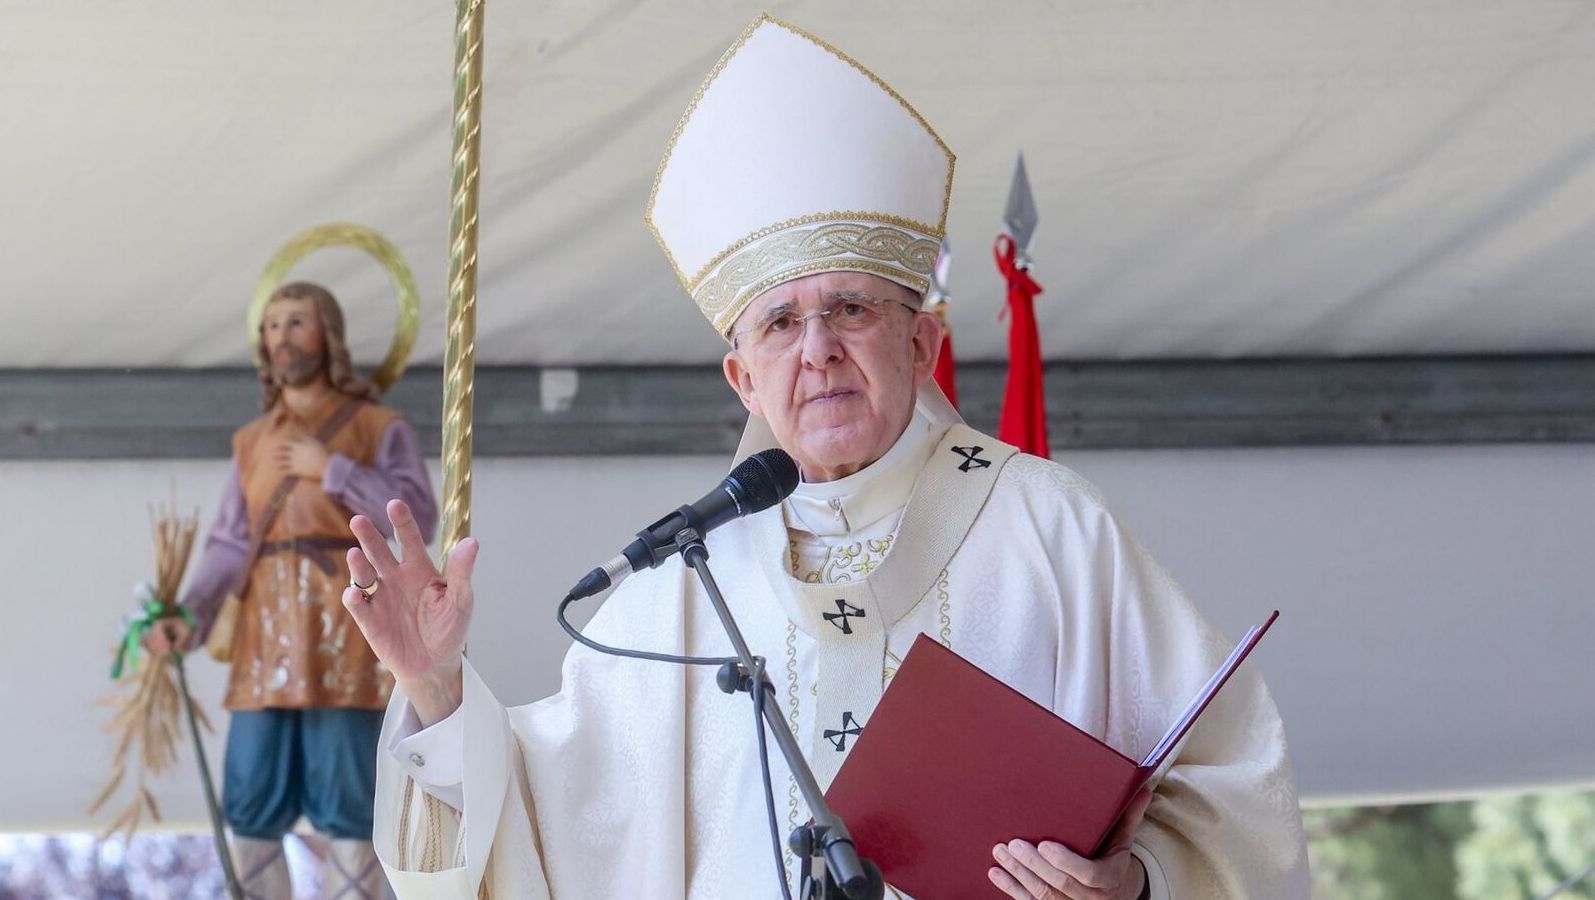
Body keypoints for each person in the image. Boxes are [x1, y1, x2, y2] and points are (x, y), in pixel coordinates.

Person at [345, 15, 1310, 900]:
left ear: (923, 345)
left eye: (851, 308)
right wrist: (434, 689)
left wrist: (1135, 885)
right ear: (742, 379)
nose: (817, 349)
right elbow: (542, 838)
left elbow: (1232, 805)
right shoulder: (688, 579)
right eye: (779, 323)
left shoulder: (1051, 528)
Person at [144, 281, 438, 900]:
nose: (281, 338)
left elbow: (415, 517)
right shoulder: (251, 443)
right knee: (250, 793)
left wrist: (332, 470)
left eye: (296, 323)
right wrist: (190, 616)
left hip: (348, 626)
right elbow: (230, 542)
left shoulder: (376, 427)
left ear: (327, 334)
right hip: (266, 635)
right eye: (272, 327)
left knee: (351, 792)